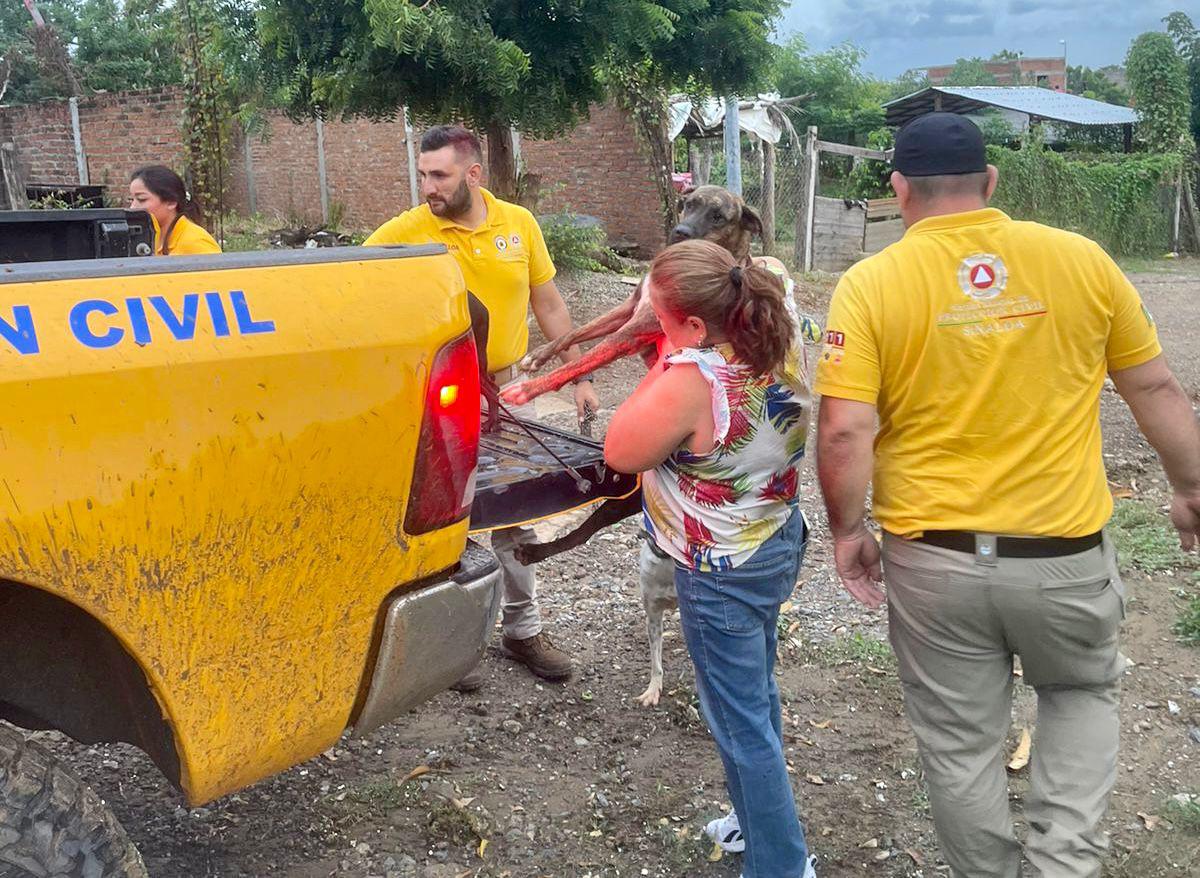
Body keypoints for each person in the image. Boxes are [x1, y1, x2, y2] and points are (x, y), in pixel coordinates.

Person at [815, 112, 1200, 878]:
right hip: (1066, 557)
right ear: (992, 183)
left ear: (898, 188)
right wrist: (1191, 489)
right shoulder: (1079, 260)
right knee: (1082, 694)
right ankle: (1066, 865)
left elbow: (844, 433)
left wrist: (846, 531)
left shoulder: (870, 284)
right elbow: (1153, 383)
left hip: (936, 565)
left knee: (959, 745)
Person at [605, 239, 818, 878]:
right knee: (753, 695)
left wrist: (669, 354)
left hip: (720, 567)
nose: (652, 326)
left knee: (736, 719)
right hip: (774, 537)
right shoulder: (782, 322)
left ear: (695, 325)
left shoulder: (695, 379)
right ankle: (754, 823)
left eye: (661, 317)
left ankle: (782, 866)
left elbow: (621, 449)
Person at [365, 125, 600, 688]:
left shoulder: (518, 225)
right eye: (422, 175)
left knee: (517, 515)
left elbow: (547, 301)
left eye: (439, 175)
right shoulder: (409, 232)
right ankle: (453, 648)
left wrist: (577, 375)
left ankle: (523, 632)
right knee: (450, 522)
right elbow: (356, 280)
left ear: (473, 174)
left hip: (511, 389)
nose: (428, 187)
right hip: (440, 398)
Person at [128, 165, 221, 255]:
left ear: (171, 202)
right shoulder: (150, 238)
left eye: (142, 199)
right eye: (131, 200)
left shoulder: (195, 241)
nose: (132, 207)